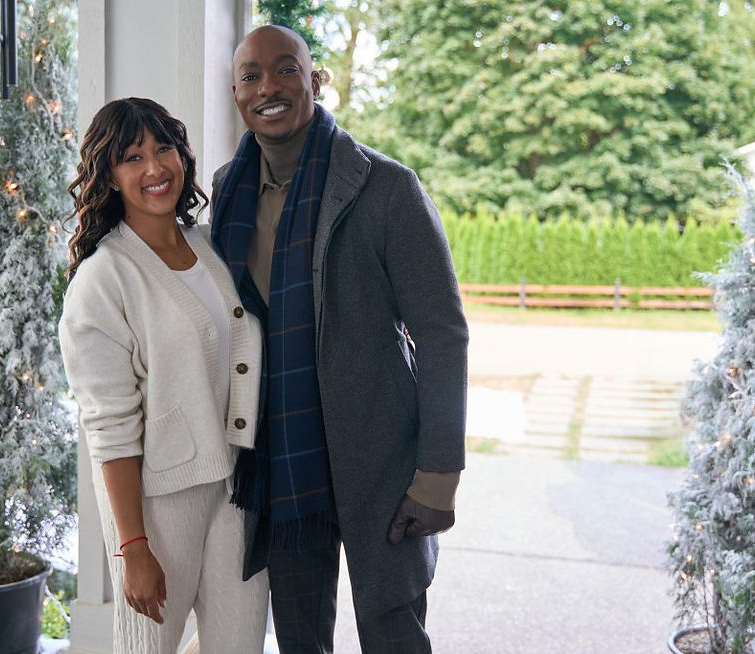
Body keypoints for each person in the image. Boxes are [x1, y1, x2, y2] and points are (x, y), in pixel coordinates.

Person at [211, 26, 469, 653]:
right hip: (283, 463)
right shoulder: (226, 192)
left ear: (314, 80)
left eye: (285, 70)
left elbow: (442, 335)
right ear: (237, 94)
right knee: (301, 642)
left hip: (381, 462)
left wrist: (438, 477)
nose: (268, 87)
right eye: (251, 76)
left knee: (394, 635)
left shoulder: (386, 189)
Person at [59, 97, 269, 654]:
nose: (155, 168)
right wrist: (133, 547)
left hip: (234, 485)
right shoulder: (103, 279)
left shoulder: (207, 246)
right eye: (132, 156)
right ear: (108, 175)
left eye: (164, 148)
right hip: (157, 503)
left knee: (240, 644)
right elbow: (109, 426)